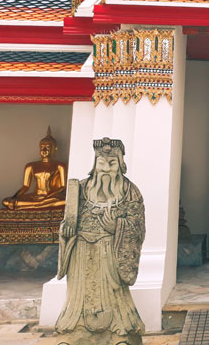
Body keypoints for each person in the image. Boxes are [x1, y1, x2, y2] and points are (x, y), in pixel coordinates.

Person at [56, 138, 145, 344]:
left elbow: (138, 227)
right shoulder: (80, 189)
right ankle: (75, 332)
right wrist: (66, 230)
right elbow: (67, 222)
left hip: (110, 253)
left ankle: (119, 331)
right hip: (81, 252)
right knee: (79, 295)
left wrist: (117, 228)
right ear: (94, 165)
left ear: (121, 165)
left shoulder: (130, 192)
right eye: (101, 164)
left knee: (114, 296)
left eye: (112, 164)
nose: (106, 169)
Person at [2, 126, 67, 210]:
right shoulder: (30, 165)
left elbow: (63, 187)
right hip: (35, 196)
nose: (44, 149)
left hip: (51, 197)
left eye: (47, 147)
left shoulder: (60, 165)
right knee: (6, 201)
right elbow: (25, 186)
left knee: (66, 201)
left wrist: (47, 197)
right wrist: (14, 197)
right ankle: (38, 205)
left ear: (54, 149)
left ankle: (31, 206)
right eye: (42, 147)